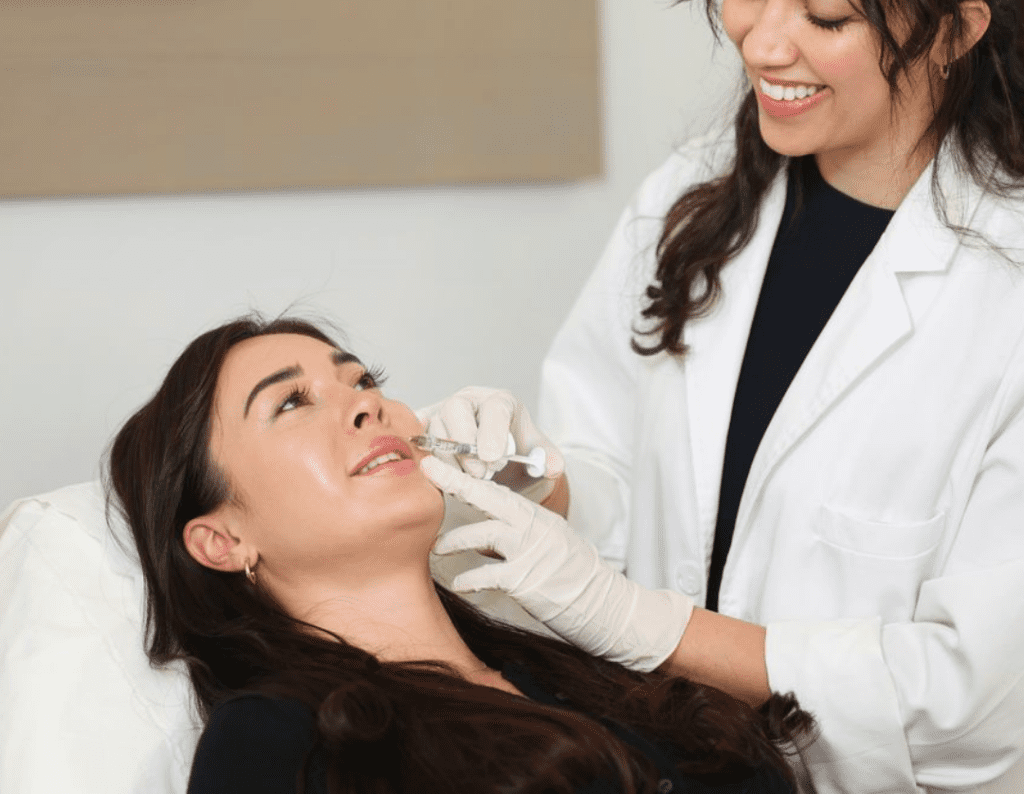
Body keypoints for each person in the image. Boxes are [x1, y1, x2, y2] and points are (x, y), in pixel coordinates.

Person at [419, 0, 1024, 791]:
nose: (762, 40)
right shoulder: (690, 199)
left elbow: (968, 705)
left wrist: (648, 627)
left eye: (824, 12)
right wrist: (540, 481)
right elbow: (613, 461)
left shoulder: (1001, 293)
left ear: (959, 30)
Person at [105, 314, 811, 794]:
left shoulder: (567, 669)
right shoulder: (272, 738)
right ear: (222, 542)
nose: (366, 406)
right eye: (291, 403)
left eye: (363, 380)